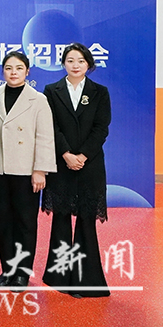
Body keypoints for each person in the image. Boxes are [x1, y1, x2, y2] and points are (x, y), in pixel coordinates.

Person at [42, 43, 111, 298]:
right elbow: (51, 126)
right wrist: (66, 154)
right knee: (61, 219)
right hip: (61, 163)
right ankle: (58, 277)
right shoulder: (52, 91)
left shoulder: (99, 92)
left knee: (85, 221)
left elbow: (101, 128)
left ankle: (86, 280)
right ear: (63, 64)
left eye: (81, 61)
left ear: (88, 64)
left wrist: (82, 156)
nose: (75, 65)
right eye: (70, 60)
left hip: (89, 165)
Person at [0, 51, 56, 291]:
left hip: (27, 171)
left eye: (19, 68)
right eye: (8, 68)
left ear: (27, 71)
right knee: (3, 221)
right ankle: (7, 269)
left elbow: (45, 137)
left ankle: (22, 273)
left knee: (25, 222)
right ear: (3, 72)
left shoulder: (38, 100)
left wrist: (40, 170)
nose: (13, 72)